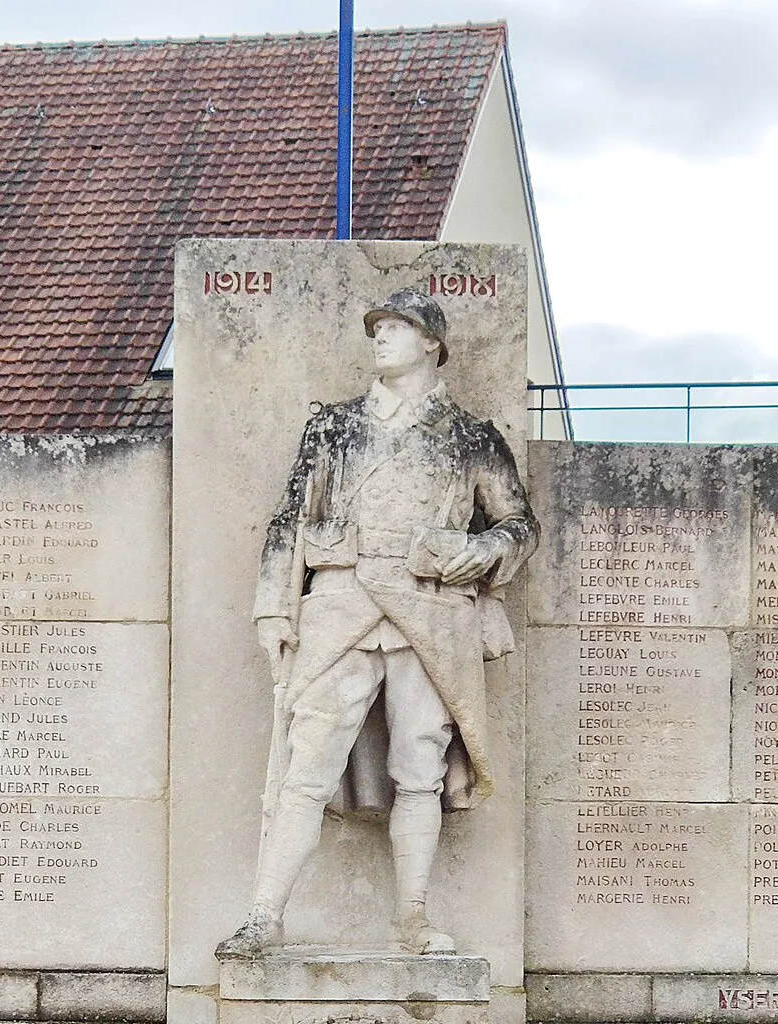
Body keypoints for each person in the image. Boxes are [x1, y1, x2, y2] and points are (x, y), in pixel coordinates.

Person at [217, 289, 538, 959]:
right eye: (377, 329)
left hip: (432, 609)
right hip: (341, 602)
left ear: (431, 343)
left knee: (418, 767)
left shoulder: (470, 434)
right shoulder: (332, 427)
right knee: (306, 764)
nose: (381, 339)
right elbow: (290, 519)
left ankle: (412, 919)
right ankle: (264, 915)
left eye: (397, 328)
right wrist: (275, 606)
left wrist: (484, 550)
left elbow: (517, 522)